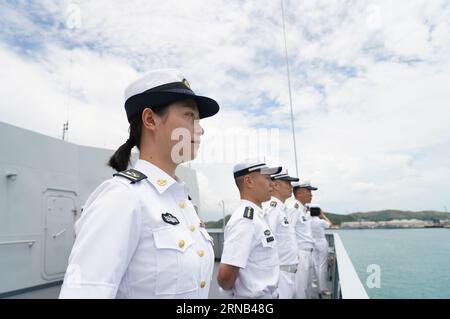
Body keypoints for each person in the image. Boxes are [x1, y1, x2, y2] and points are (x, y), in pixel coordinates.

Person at [59, 69, 220, 298]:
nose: (200, 128)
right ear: (150, 120)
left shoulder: (182, 201)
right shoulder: (122, 197)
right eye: (189, 115)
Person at [217, 160, 282, 299]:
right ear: (249, 181)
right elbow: (225, 278)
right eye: (267, 178)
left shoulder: (257, 216)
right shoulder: (245, 220)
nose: (272, 183)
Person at [262, 169, 299, 299]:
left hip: (291, 273)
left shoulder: (283, 209)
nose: (291, 186)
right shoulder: (272, 209)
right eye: (288, 183)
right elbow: (267, 246)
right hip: (281, 275)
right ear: (276, 185)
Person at [289, 180, 318, 299]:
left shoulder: (303, 209)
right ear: (299, 193)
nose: (311, 195)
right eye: (308, 192)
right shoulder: (294, 208)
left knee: (307, 287)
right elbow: (288, 232)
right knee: (301, 288)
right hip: (300, 254)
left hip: (308, 253)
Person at [310, 206, 333, 296]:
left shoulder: (308, 221)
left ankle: (316, 284)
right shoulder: (320, 221)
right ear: (319, 212)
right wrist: (323, 216)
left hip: (312, 243)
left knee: (315, 265)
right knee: (322, 266)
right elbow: (330, 224)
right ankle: (323, 288)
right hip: (321, 243)